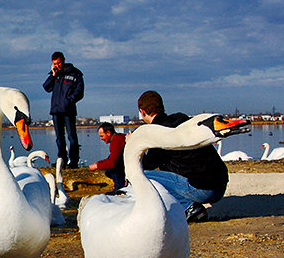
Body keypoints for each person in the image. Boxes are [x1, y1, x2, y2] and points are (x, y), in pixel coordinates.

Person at [137, 90, 228, 222]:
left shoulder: (159, 132)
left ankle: (189, 208)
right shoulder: (182, 120)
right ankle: (185, 204)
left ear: (142, 112)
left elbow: (146, 164)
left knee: (143, 175)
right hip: (220, 184)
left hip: (204, 189)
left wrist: (135, 144)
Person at [42, 51, 84, 168]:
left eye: (59, 62)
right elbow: (46, 88)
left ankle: (74, 161)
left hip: (68, 110)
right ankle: (62, 160)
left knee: (72, 136)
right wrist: (53, 75)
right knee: (59, 137)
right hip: (56, 111)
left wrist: (69, 101)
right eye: (55, 63)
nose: (58, 65)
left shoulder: (75, 74)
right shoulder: (55, 74)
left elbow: (80, 92)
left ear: (64, 60)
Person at [88, 122, 126, 193]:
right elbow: (111, 159)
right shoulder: (118, 138)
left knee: (112, 168)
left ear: (108, 133)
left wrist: (96, 166)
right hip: (127, 162)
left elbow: (112, 163)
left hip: (130, 164)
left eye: (102, 136)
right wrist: (98, 163)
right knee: (108, 171)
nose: (101, 139)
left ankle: (119, 188)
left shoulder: (116, 141)